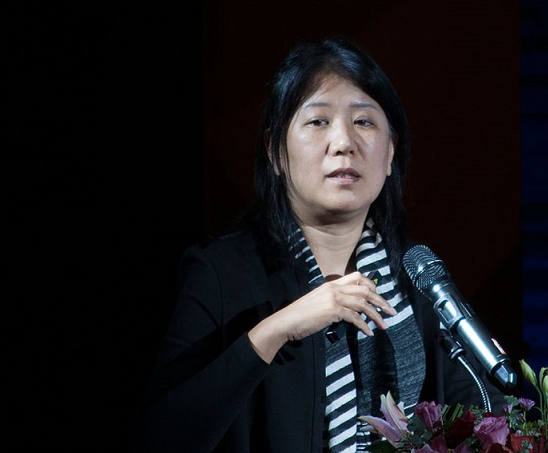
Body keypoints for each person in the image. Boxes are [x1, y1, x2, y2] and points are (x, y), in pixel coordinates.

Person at [135, 36, 507, 452]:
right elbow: (162, 437)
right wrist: (277, 330)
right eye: (317, 122)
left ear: (390, 153)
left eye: (363, 122)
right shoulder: (221, 275)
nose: (343, 142)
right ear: (276, 151)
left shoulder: (415, 275)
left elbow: (487, 419)